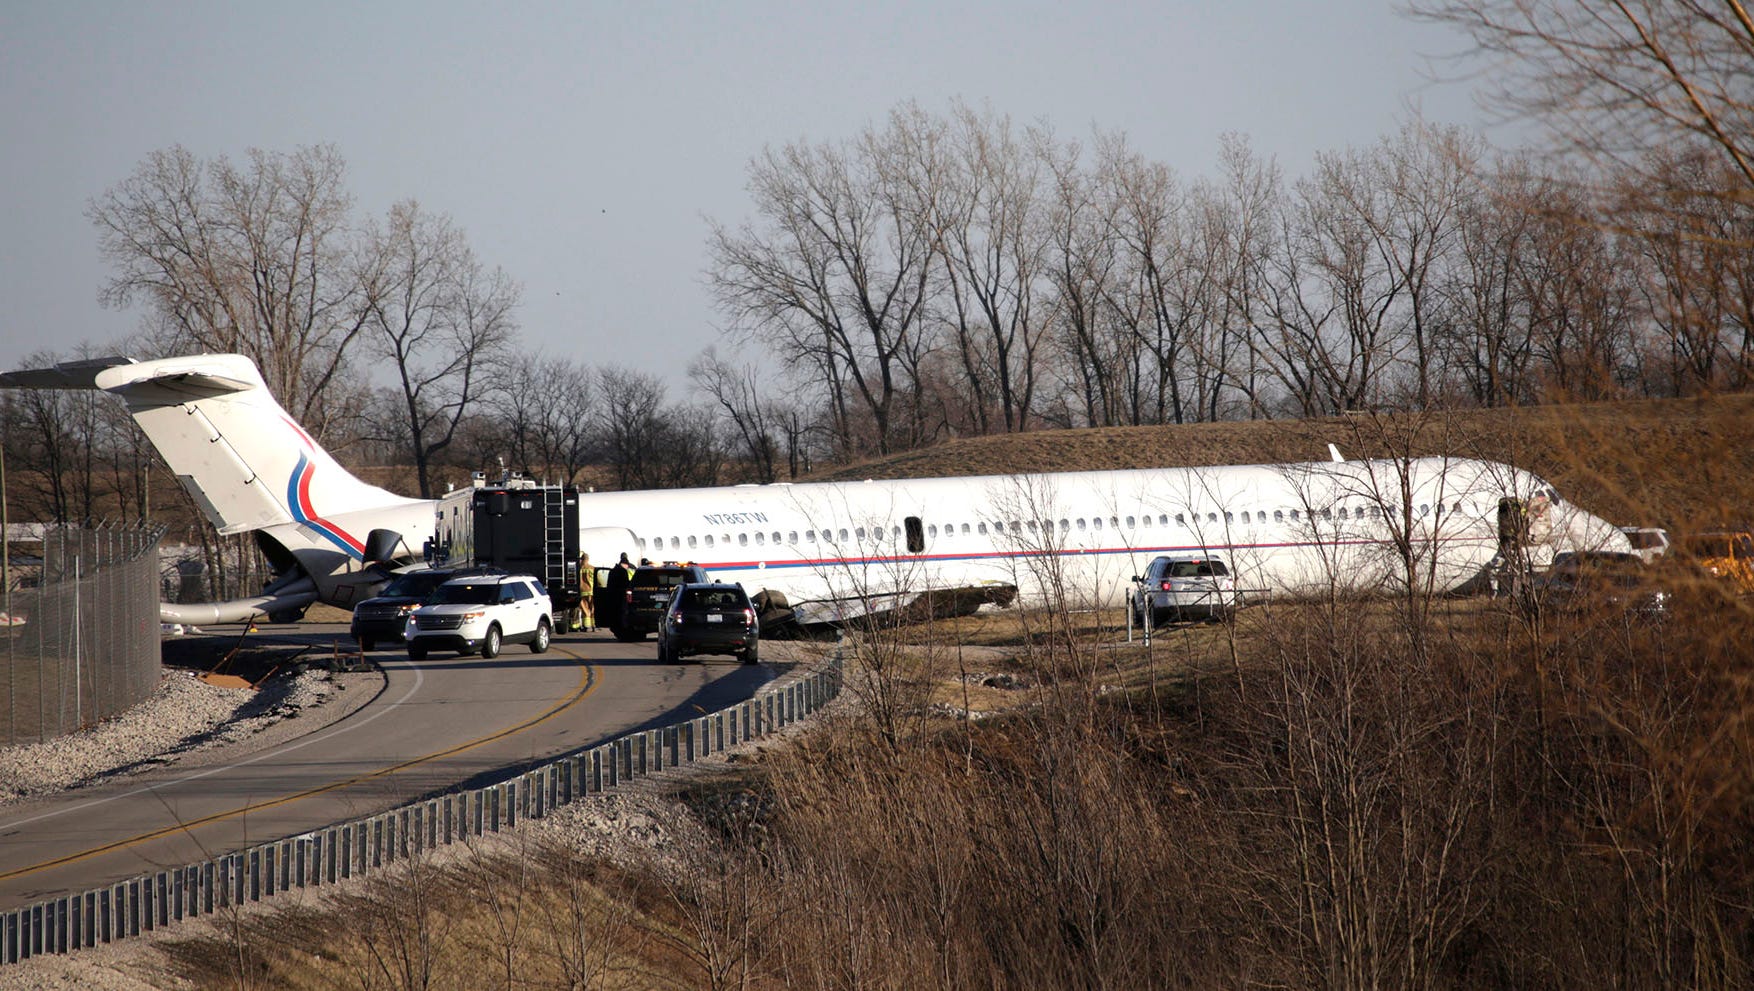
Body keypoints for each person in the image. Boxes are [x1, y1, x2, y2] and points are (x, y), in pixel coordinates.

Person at [575, 552, 597, 631]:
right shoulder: (593, 568)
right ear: (588, 559)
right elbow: (598, 579)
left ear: (582, 559)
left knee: (585, 609)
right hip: (592, 591)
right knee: (593, 609)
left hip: (582, 591)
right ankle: (594, 625)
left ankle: (586, 626)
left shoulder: (579, 569)